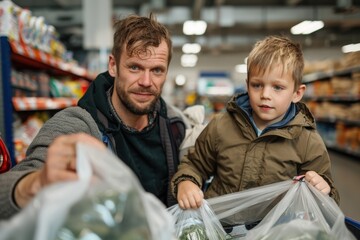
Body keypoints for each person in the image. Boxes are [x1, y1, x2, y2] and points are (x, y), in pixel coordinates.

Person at [0, 13, 188, 219]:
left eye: (157, 70)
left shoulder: (175, 124)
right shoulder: (78, 125)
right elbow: (10, 185)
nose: (146, 80)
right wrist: (35, 183)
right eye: (135, 67)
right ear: (113, 66)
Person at [171, 35, 340, 210]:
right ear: (247, 85)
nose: (265, 94)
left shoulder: (307, 141)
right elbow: (195, 164)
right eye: (257, 85)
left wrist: (323, 189)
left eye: (278, 87)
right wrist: (186, 181)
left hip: (275, 231)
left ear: (297, 93)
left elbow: (325, 195)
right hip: (221, 227)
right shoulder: (221, 125)